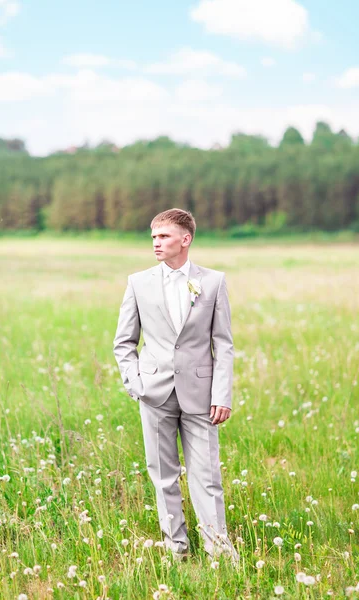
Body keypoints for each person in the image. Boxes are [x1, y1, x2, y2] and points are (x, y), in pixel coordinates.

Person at [113, 208, 238, 563]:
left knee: (207, 476)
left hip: (201, 395)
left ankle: (218, 550)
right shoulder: (138, 282)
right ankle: (176, 548)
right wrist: (136, 384)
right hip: (154, 393)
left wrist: (222, 394)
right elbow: (124, 342)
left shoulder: (213, 281)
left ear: (186, 239)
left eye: (164, 236)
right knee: (163, 474)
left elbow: (223, 343)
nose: (156, 243)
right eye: (153, 237)